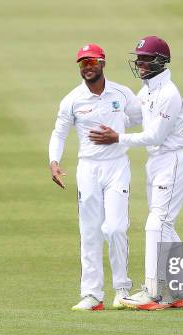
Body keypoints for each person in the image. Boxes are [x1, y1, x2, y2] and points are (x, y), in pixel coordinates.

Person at [89, 35, 183, 310]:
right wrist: (105, 117)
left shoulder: (169, 94)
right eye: (139, 58)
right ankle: (180, 292)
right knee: (166, 227)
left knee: (156, 224)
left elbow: (155, 136)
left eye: (146, 59)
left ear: (161, 61)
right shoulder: (147, 90)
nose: (140, 63)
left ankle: (152, 292)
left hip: (172, 160)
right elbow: (130, 118)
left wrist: (117, 139)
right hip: (157, 163)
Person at [48, 43, 141, 311]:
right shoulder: (72, 100)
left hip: (117, 166)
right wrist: (54, 162)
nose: (87, 67)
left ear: (103, 63)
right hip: (88, 168)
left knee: (114, 228)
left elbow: (137, 118)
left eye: (91, 62)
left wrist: (118, 131)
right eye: (82, 63)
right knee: (89, 231)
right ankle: (92, 294)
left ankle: (122, 289)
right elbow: (59, 133)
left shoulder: (122, 93)